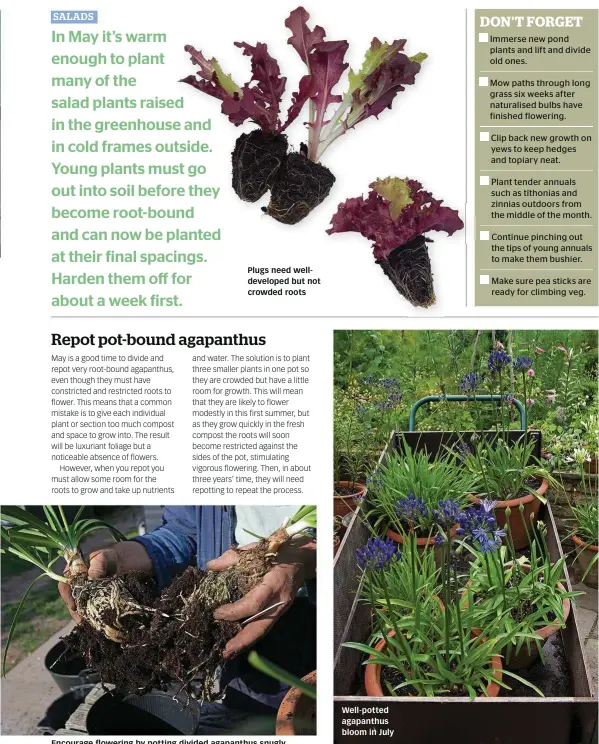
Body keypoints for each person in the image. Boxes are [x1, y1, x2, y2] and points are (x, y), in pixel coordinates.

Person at [59, 505, 316, 734]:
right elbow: (184, 531)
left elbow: (346, 516)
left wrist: (302, 556)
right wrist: (122, 557)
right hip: (234, 652)